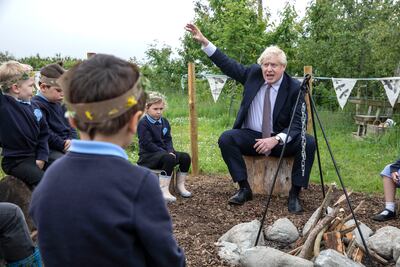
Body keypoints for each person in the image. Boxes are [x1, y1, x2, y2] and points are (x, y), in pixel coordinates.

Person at [29, 54, 185, 266]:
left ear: (73, 121)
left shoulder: (47, 181)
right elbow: (168, 260)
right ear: (133, 123)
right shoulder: (139, 184)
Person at [185, 24, 316, 213]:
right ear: (261, 66)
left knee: (308, 143)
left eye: (274, 65)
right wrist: (205, 43)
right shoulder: (253, 75)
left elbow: (298, 124)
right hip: (252, 136)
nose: (269, 69)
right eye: (266, 64)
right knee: (226, 138)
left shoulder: (295, 87)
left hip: (279, 140)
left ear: (283, 67)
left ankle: (294, 194)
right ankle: (244, 188)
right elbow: (228, 65)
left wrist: (275, 139)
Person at [0, 61, 49, 190]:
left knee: (60, 170)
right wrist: (13, 69)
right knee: (45, 183)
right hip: (16, 161)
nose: (34, 90)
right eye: (31, 86)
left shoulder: (34, 107)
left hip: (36, 156)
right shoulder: (5, 105)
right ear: (16, 88)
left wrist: (42, 156)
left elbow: (44, 134)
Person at [137, 91, 192, 202]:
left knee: (185, 157)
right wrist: (166, 153)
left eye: (161, 109)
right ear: (147, 108)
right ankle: (163, 190)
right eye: (155, 109)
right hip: (148, 156)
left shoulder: (164, 122)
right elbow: (147, 143)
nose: (159, 112)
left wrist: (170, 150)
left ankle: (180, 186)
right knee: (169, 158)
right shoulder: (143, 123)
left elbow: (168, 139)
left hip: (163, 154)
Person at [32, 63, 78, 161]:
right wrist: (63, 144)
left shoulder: (61, 102)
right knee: (68, 164)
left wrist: (73, 141)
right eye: (58, 90)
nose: (63, 94)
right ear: (43, 87)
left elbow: (71, 126)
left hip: (68, 145)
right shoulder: (37, 105)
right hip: (50, 148)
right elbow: (45, 132)